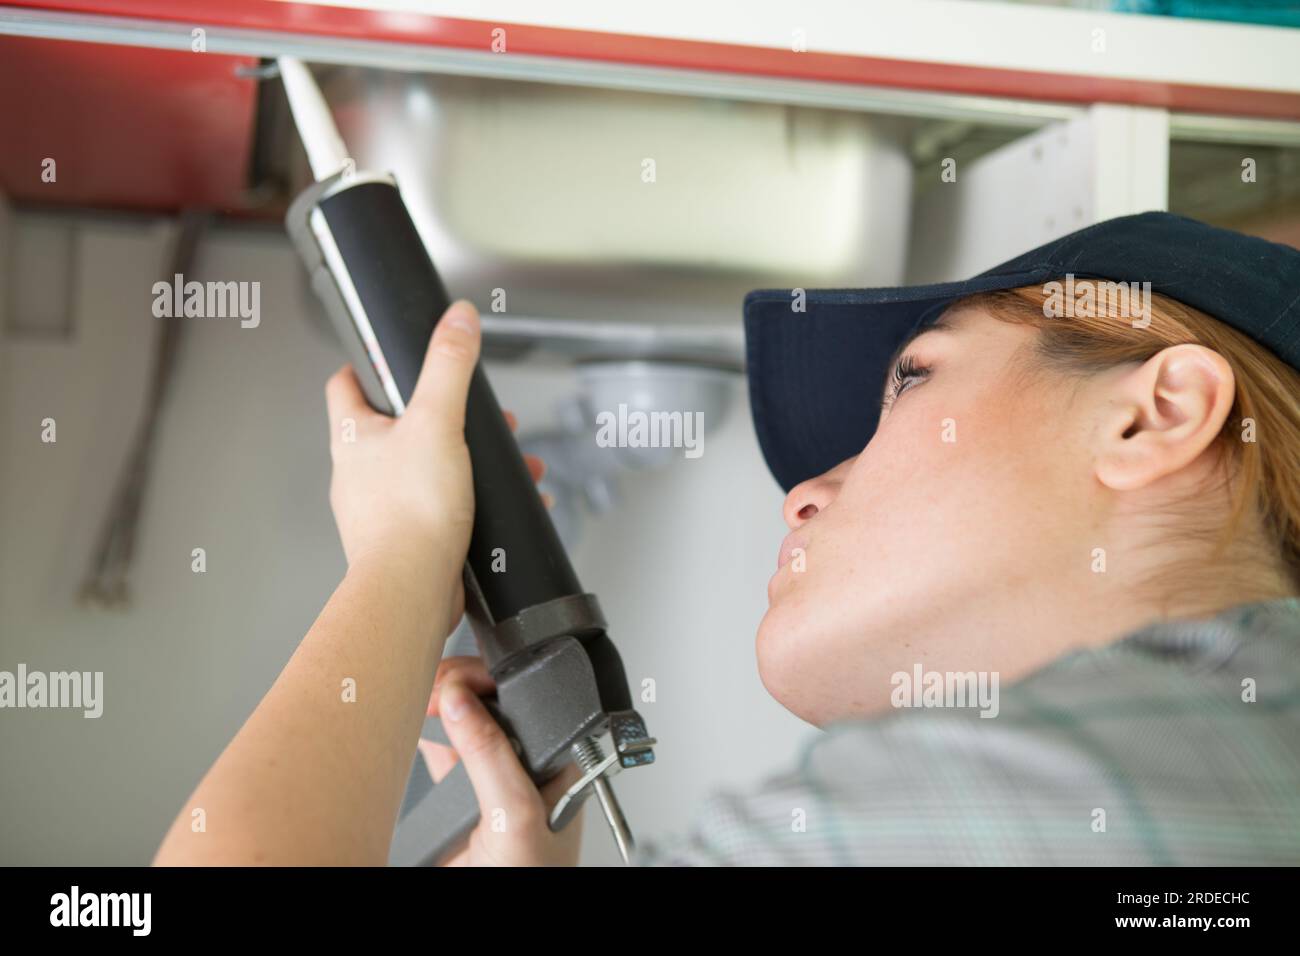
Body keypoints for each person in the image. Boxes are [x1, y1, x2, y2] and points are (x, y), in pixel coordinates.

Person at [154, 212, 1300, 866]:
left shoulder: (1040, 785)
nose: (803, 490)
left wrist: (405, 555)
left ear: (1154, 414)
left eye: (911, 381)